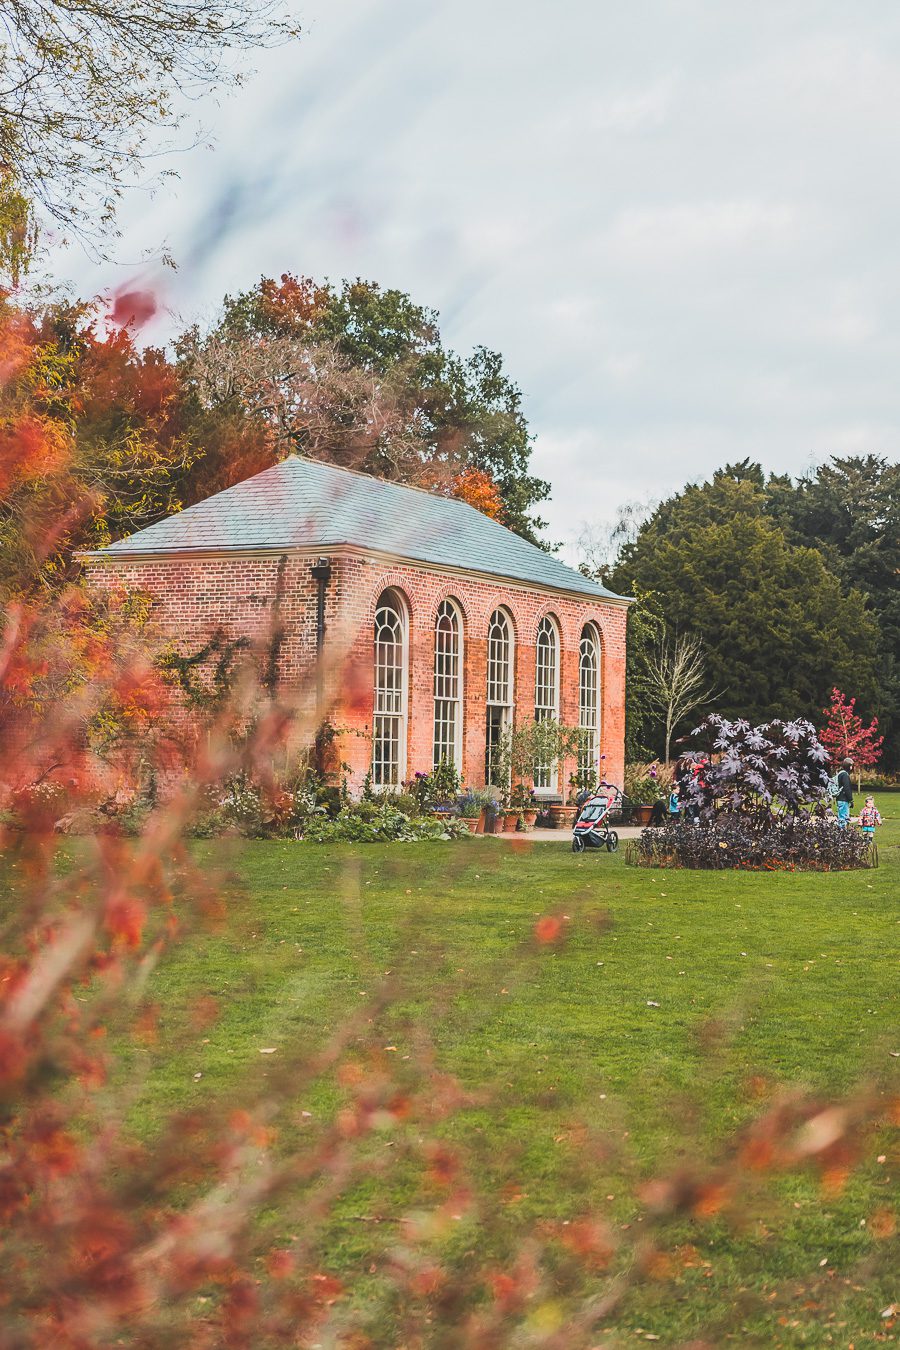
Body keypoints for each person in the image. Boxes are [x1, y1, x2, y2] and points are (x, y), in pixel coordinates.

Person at [834, 757, 854, 828]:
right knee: (843, 819)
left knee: (842, 817)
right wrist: (851, 800)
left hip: (839, 798)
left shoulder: (840, 773)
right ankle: (842, 835)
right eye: (851, 766)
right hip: (843, 799)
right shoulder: (845, 775)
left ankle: (842, 834)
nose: (851, 767)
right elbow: (847, 788)